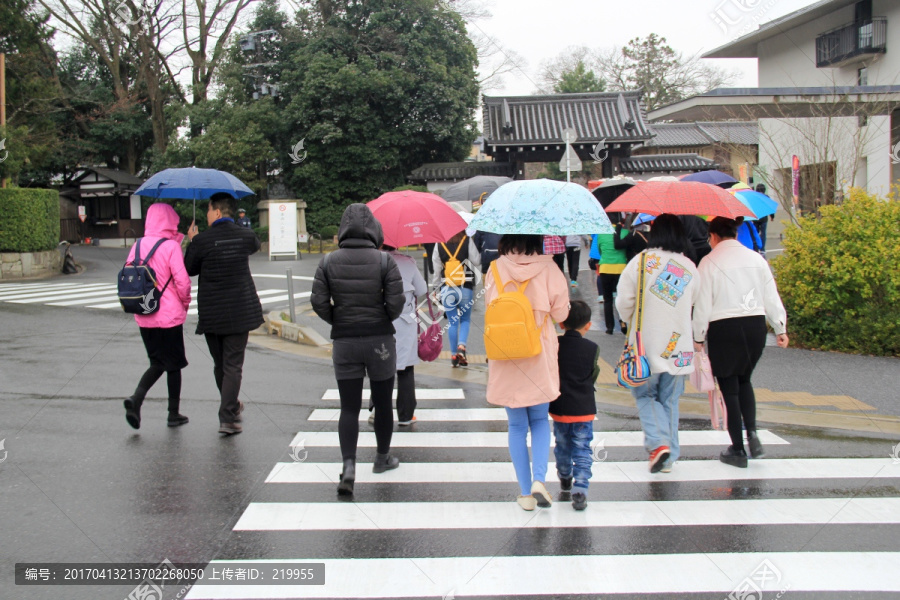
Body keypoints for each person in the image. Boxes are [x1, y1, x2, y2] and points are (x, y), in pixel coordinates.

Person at [311, 203, 405, 495]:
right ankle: (381, 457)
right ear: (373, 229)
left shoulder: (327, 262)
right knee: (383, 401)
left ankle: (349, 466)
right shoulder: (384, 262)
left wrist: (338, 320)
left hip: (345, 342)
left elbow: (318, 302)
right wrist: (381, 318)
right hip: (380, 341)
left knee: (349, 408)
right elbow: (397, 303)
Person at [692, 216, 789, 468]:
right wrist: (780, 327)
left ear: (713, 236)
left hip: (723, 328)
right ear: (734, 233)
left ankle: (737, 449)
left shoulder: (708, 262)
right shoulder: (756, 259)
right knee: (745, 380)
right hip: (755, 327)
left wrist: (698, 337)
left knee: (729, 388)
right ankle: (753, 434)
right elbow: (771, 294)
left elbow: (703, 304)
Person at [484, 234, 570, 511]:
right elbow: (561, 315)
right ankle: (539, 480)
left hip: (506, 351)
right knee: (540, 420)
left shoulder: (496, 268)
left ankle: (525, 493)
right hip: (538, 350)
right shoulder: (549, 267)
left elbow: (489, 308)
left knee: (517, 425)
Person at [616, 214, 698, 473]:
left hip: (646, 343)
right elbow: (696, 303)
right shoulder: (689, 266)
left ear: (653, 231)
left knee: (645, 395)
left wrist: (629, 320)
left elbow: (624, 301)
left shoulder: (640, 262)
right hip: (679, 345)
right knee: (670, 400)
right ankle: (669, 456)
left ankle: (658, 444)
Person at [185, 193, 264, 436]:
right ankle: (228, 414)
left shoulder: (202, 241)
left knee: (221, 364)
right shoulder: (246, 236)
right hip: (240, 310)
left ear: (217, 212)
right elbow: (254, 245)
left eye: (209, 211)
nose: (207, 215)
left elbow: (189, 268)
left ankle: (229, 410)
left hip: (213, 312)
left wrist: (193, 241)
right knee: (232, 365)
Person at [123, 203, 193, 430]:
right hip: (169, 316)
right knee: (173, 364)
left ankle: (140, 401)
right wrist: (185, 303)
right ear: (170, 221)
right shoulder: (171, 247)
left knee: (157, 362)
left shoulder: (137, 245)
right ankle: (165, 411)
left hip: (143, 313)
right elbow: (182, 281)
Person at [367, 244, 427, 427]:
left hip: (380, 320)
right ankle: (405, 415)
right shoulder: (407, 261)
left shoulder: (372, 261)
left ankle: (377, 410)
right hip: (404, 322)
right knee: (405, 368)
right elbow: (422, 289)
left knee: (380, 366)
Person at [548, 300, 599, 510]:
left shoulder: (554, 345)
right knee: (582, 449)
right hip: (584, 410)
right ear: (588, 325)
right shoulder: (592, 348)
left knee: (562, 446)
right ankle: (581, 487)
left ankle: (565, 475)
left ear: (561, 324)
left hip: (560, 408)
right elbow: (593, 374)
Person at [431, 231, 481, 367]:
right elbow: (476, 260)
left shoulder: (439, 243)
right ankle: (462, 347)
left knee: (453, 322)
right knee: (465, 320)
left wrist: (435, 287)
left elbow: (436, 268)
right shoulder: (466, 240)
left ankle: (454, 356)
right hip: (465, 287)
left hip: (447, 287)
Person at [596, 219, 628, 335]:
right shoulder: (625, 232)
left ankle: (609, 327)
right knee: (622, 297)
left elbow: (600, 251)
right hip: (621, 269)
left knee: (607, 299)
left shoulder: (601, 234)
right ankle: (623, 321)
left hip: (605, 269)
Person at [754, 183, 775, 251]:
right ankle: (762, 248)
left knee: (755, 233)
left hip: (756, 218)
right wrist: (772, 216)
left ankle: (756, 247)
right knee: (763, 233)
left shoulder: (754, 197)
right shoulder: (766, 197)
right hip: (764, 219)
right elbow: (770, 208)